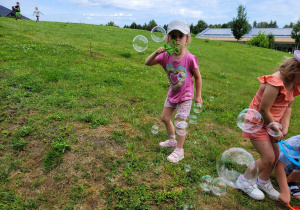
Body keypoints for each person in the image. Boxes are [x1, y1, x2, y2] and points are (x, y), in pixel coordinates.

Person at [236, 50, 300, 200]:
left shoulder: (295, 84)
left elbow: (288, 107)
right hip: (257, 123)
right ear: (296, 69)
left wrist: (284, 125)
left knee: (276, 155)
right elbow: (263, 109)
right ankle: (244, 181)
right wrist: (273, 125)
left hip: (272, 125)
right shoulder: (275, 83)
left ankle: (262, 180)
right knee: (268, 157)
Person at [145, 20, 202, 163]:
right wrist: (155, 52)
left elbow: (198, 77)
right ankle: (172, 141)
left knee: (180, 121)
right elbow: (148, 62)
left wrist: (198, 96)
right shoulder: (165, 56)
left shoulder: (189, 58)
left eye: (180, 36)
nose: (177, 39)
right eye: (173, 36)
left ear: (187, 39)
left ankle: (179, 150)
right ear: (167, 39)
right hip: (173, 94)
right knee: (165, 118)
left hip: (186, 96)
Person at [275, 135, 300, 206]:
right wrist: (285, 192)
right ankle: (291, 181)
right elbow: (279, 167)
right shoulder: (293, 146)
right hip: (288, 163)